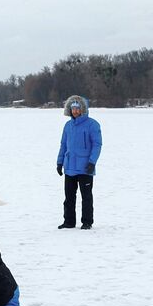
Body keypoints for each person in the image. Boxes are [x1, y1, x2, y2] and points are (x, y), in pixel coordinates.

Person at [56, 95, 102, 229]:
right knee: (69, 197)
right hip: (69, 167)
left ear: (83, 109)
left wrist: (92, 162)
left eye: (78, 108)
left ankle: (87, 222)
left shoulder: (93, 125)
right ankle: (69, 221)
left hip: (85, 167)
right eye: (73, 108)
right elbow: (63, 145)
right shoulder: (68, 125)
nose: (75, 111)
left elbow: (97, 145)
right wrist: (60, 163)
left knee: (86, 197)